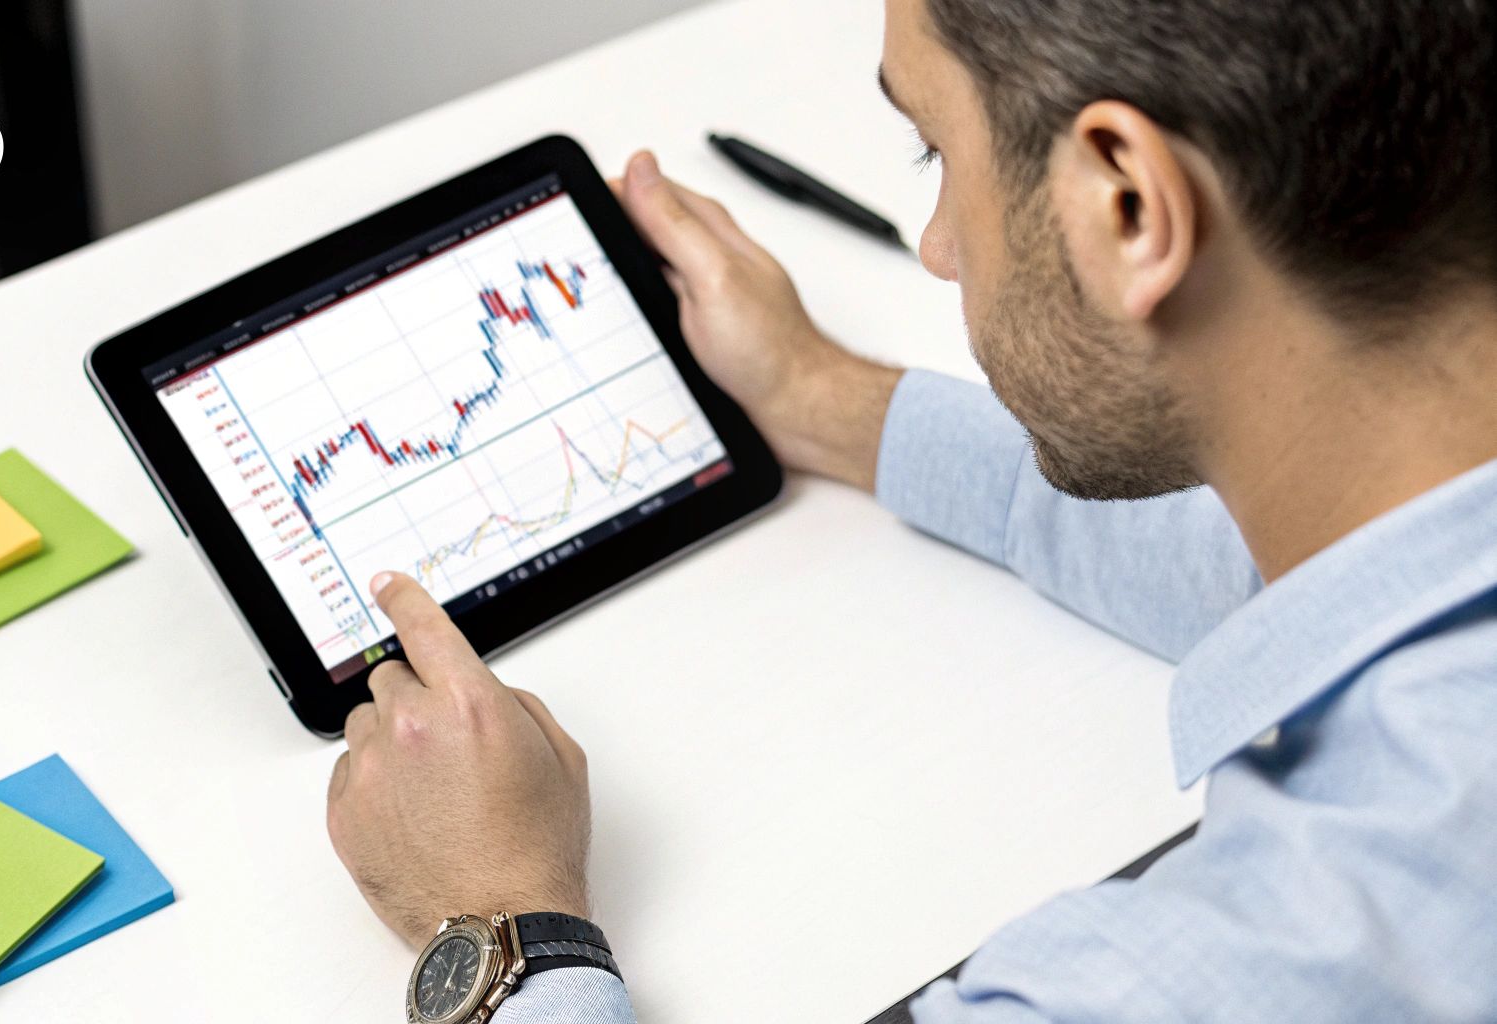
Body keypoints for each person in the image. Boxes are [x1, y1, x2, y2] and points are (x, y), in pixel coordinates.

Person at [325, 0, 1497, 1018]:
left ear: (1128, 204)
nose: (934, 247)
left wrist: (497, 925)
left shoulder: (1222, 967)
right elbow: (1271, 557)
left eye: (930, 149)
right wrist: (821, 398)